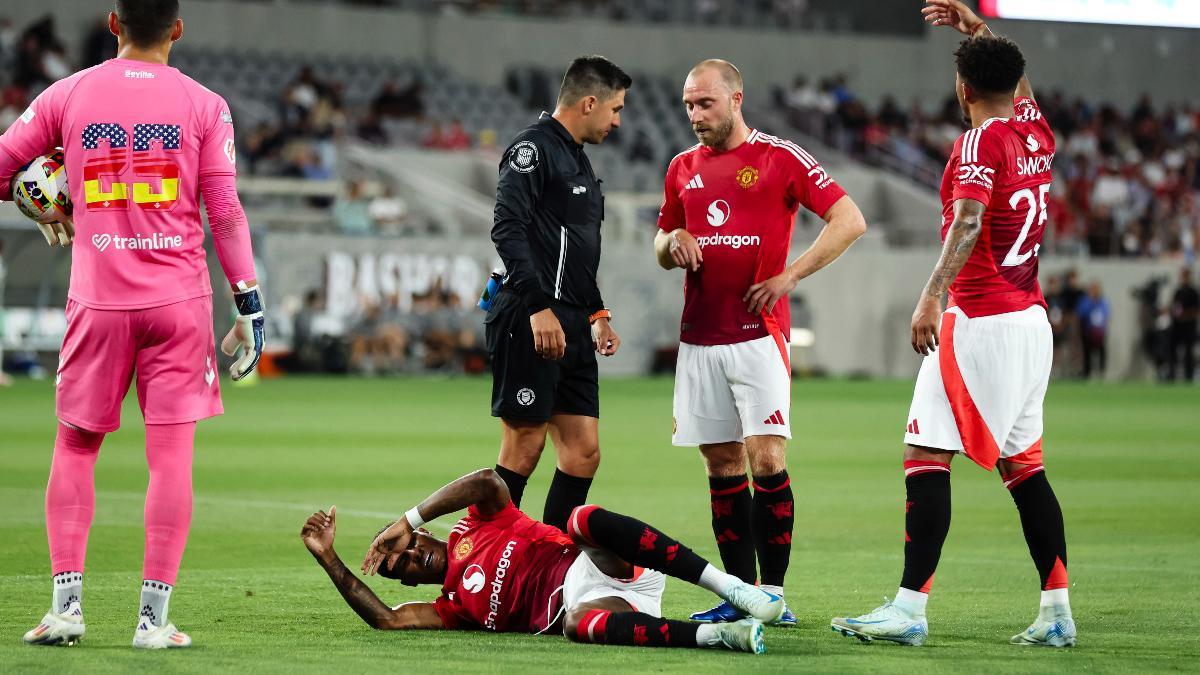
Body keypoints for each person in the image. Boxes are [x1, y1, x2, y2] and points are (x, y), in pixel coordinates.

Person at [1, 0, 265, 649]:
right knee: (169, 456)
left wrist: (40, 202)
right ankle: (153, 622)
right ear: (177, 28)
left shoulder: (69, 93)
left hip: (99, 300)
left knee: (76, 447)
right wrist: (249, 302)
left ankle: (65, 608)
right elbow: (224, 211)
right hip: (178, 304)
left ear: (112, 24)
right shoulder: (206, 104)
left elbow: (5, 167)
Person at [831, 0, 1074, 648]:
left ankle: (910, 607)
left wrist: (931, 296)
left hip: (981, 319)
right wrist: (980, 32)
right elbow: (1013, 80)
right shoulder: (1035, 133)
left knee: (924, 453)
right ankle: (1056, 610)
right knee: (1026, 469)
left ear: (962, 88)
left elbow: (967, 221)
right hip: (1030, 323)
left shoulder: (979, 140)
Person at [653, 58, 866, 627]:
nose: (696, 115)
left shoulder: (780, 157)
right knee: (721, 464)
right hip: (699, 337)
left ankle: (773, 593)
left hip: (758, 335)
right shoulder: (680, 168)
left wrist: (790, 276)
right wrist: (671, 241)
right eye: (689, 105)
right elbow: (660, 238)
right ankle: (740, 595)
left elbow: (849, 219)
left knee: (766, 456)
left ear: (736, 98)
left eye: (706, 104)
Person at [300, 468, 783, 653]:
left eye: (404, 548)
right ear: (408, 583)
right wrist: (329, 559)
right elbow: (386, 620)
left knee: (580, 518)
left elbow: (488, 480)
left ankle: (729, 587)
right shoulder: (451, 608)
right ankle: (718, 636)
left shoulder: (477, 522)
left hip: (605, 562)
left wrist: (407, 516)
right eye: (399, 568)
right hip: (602, 609)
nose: (409, 558)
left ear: (421, 535)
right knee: (576, 625)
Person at [487, 56, 627, 532]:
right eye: (614, 109)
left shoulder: (578, 159)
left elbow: (577, 250)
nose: (617, 121)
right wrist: (538, 306)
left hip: (572, 319)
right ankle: (480, 563)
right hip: (532, 315)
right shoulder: (533, 149)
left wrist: (597, 312)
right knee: (524, 445)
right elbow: (507, 229)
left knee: (583, 451)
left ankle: (551, 562)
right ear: (589, 102)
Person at [1167, 267, 1198, 382]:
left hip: (1189, 326)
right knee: (1172, 349)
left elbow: (1196, 310)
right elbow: (1175, 307)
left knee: (1189, 352)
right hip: (1177, 326)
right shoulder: (1178, 292)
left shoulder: (1193, 292)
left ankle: (1188, 376)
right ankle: (1172, 374)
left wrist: (1185, 315)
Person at [1076, 281, 1109, 379]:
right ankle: (1087, 373)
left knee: (1101, 352)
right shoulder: (1085, 301)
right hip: (1088, 331)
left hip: (1099, 332)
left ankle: (1101, 372)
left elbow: (1106, 315)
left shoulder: (1103, 301)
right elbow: (1081, 313)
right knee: (1087, 353)